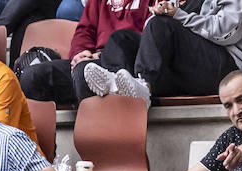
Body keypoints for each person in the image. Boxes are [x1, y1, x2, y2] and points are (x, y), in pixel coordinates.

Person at [75, 0, 242, 105]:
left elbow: (226, 31)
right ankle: (118, 89)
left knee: (160, 24)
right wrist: (160, 14)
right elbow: (154, 31)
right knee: (121, 39)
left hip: (229, 71)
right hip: (189, 71)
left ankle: (143, 87)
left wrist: (177, 16)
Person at [15, 0, 150, 107]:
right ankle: (35, 141)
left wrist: (102, 55)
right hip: (93, 61)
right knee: (32, 77)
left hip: (128, 66)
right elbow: (84, 31)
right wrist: (80, 53)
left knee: (82, 71)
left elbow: (154, 37)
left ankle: (101, 135)